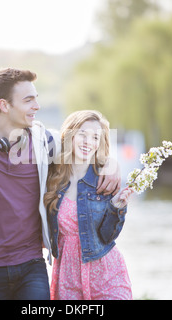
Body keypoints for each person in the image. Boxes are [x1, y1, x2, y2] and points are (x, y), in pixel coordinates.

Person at [0, 68, 121, 300]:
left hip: (31, 266)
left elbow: (86, 148)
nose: (37, 106)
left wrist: (111, 163)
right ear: (5, 105)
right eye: (29, 100)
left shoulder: (48, 143)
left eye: (36, 98)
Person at [44, 110, 134, 300]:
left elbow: (107, 235)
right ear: (70, 135)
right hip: (68, 275)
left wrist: (117, 207)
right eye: (82, 134)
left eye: (95, 137)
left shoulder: (105, 178)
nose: (88, 142)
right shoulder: (53, 176)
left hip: (106, 272)